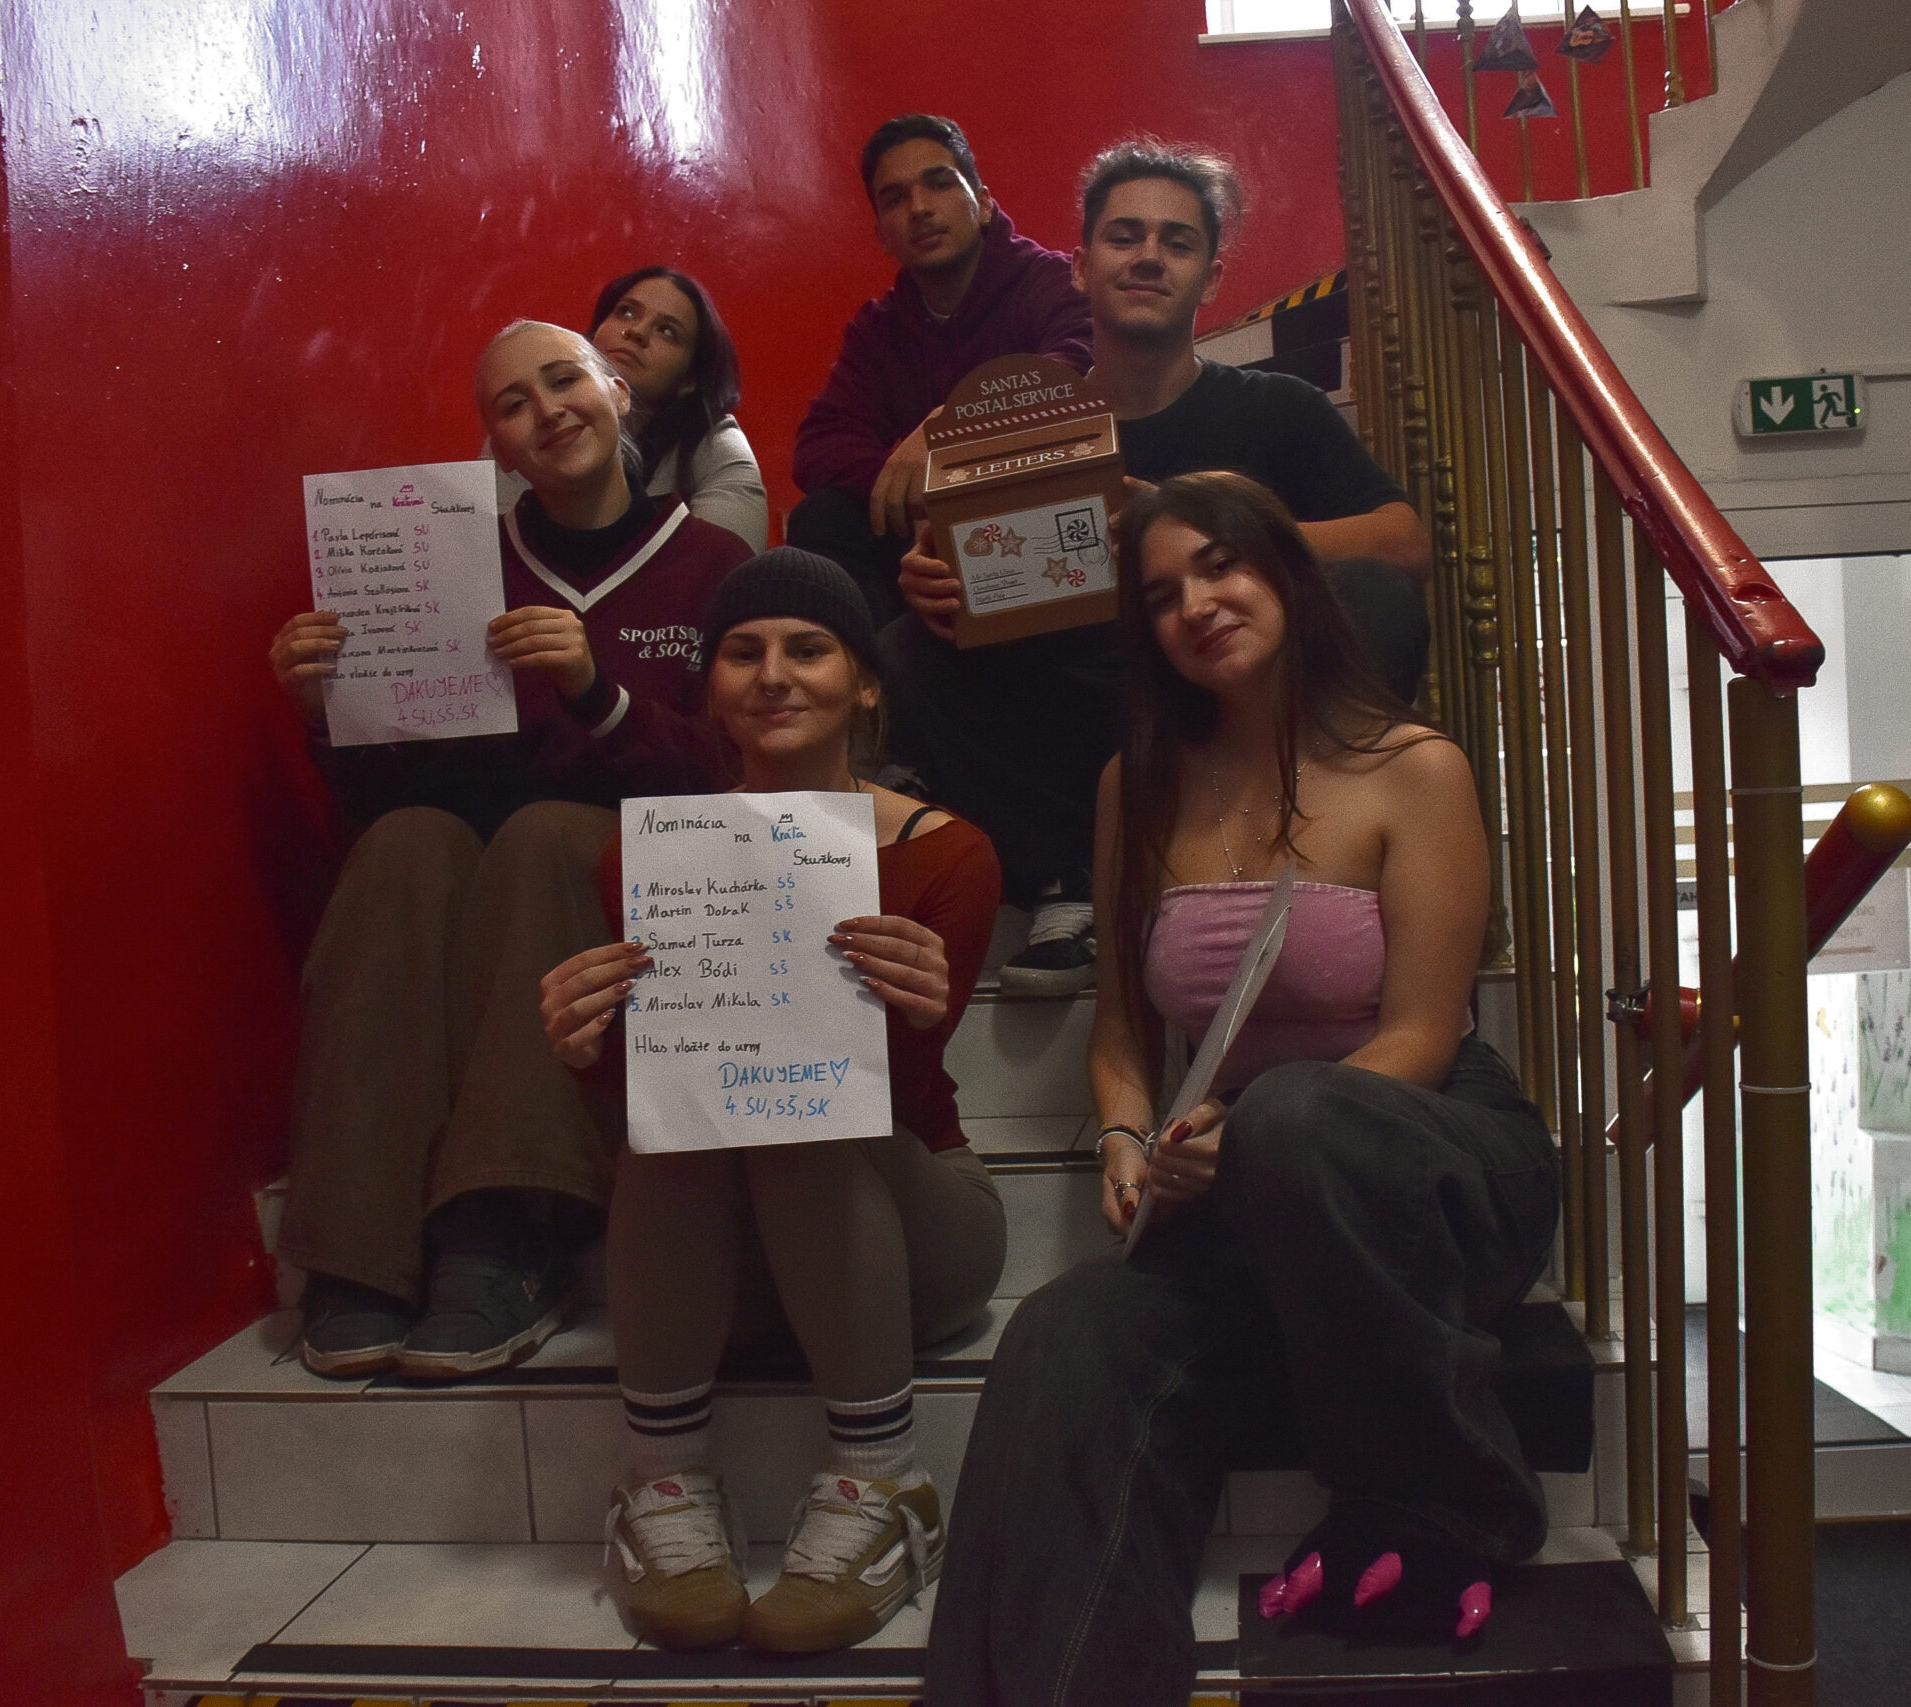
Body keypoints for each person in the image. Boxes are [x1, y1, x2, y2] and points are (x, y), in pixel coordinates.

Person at [923, 473, 1558, 1707]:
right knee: (1064, 1331)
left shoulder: (1414, 767)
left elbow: (1424, 1032)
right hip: (1242, 1185)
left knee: (1298, 1117)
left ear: (1285, 575)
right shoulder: (1136, 786)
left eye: (1220, 567)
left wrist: (1256, 1139)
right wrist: (1124, 1137)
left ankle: (1445, 1500)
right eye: (1162, 595)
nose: (1196, 606)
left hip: (1424, 1168)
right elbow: (1122, 1027)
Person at [539, 549, 1008, 1657]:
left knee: (794, 1099)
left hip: (910, 1230)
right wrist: (587, 1046)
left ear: (867, 682)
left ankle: (882, 1482)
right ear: (709, 690)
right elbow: (656, 1083)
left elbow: (894, 1090)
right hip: (726, 1265)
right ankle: (662, 1480)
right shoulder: (648, 860)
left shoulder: (947, 852)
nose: (774, 675)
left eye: (809, 648)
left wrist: (917, 1007)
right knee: (698, 1102)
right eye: (742, 653)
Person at [269, 320, 752, 1381]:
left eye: (563, 381)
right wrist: (328, 714)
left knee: (544, 835)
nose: (547, 412)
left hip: (647, 873)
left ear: (616, 391)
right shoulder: (456, 562)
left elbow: (734, 770)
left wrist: (596, 692)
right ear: (495, 446)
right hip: (476, 860)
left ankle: (508, 1227)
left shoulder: (715, 563)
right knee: (402, 845)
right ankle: (357, 1244)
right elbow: (389, 796)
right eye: (512, 404)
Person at [882, 140, 1433, 1000]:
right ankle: (1069, 881)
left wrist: (1202, 533)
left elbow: (1405, 543)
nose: (1148, 256)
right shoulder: (1027, 430)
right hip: (1082, 717)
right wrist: (935, 584)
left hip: (1239, 707)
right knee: (906, 648)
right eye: (1124, 236)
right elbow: (969, 566)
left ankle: (1314, 831)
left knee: (1377, 597)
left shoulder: (1275, 407)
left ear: (1211, 278)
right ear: (1079, 267)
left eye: (1177, 242)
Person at [789, 114, 1093, 628]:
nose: (920, 208)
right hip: (926, 540)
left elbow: (1076, 371)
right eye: (895, 199)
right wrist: (927, 489)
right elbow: (820, 443)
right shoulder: (879, 328)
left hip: (1043, 518)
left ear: (984, 202)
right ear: (882, 235)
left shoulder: (1051, 281)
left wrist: (950, 431)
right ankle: (875, 666)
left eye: (939, 184)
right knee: (822, 519)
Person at [490, 267, 769, 551]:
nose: (637, 331)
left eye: (667, 332)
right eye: (626, 312)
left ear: (689, 379)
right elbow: (491, 558)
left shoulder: (714, 440)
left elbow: (726, 563)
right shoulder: (527, 425)